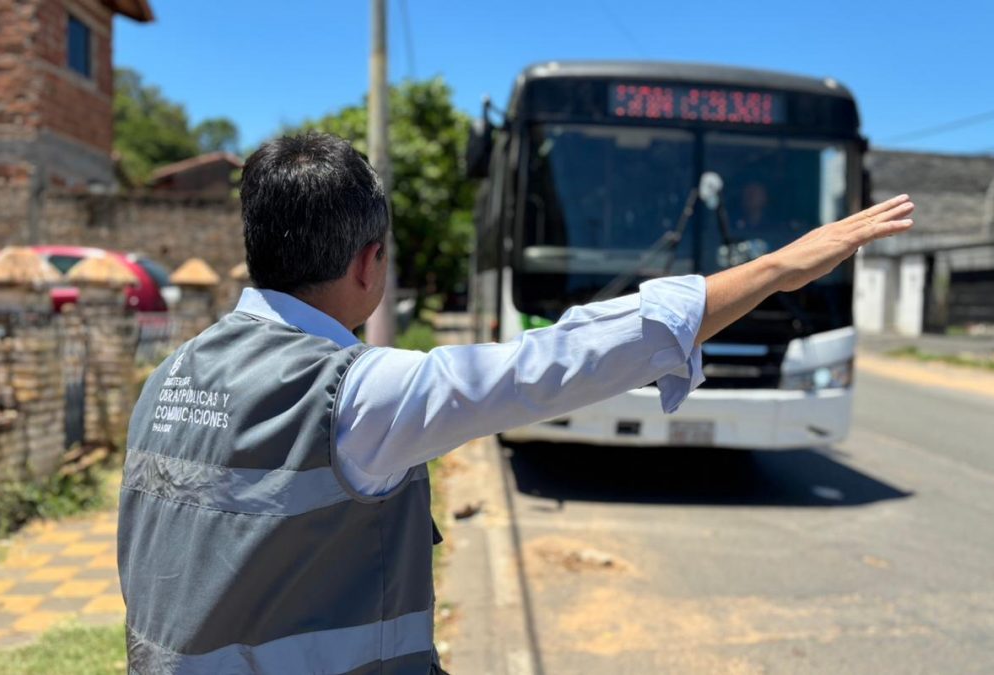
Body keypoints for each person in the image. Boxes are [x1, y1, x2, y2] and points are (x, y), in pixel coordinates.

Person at [117, 132, 913, 675]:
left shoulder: (171, 375)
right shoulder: (356, 395)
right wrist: (775, 268)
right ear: (370, 262)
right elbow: (563, 358)